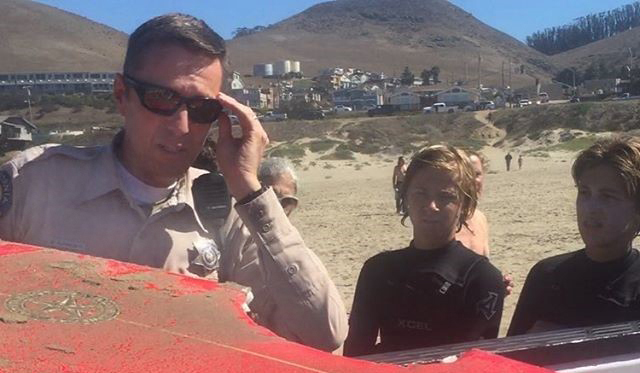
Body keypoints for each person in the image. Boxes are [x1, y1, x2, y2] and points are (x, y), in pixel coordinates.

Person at [0, 13, 347, 351]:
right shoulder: (33, 182)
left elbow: (322, 333)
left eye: (201, 109)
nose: (181, 126)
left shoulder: (229, 212)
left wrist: (247, 186)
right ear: (121, 94)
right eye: (162, 99)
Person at [343, 145, 505, 357]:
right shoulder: (378, 271)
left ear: (465, 205)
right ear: (405, 197)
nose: (431, 205)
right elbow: (356, 353)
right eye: (420, 193)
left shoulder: (482, 278)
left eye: (445, 196)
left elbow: (477, 363)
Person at [508, 136, 640, 336]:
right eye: (584, 193)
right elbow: (509, 362)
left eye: (607, 196)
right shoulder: (546, 276)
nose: (590, 208)